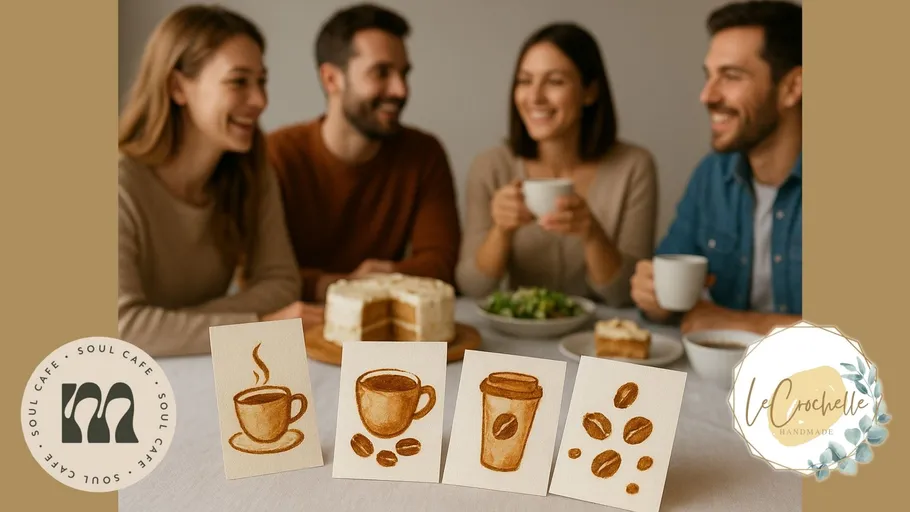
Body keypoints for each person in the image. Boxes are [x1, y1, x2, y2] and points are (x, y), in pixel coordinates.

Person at [118, 5, 320, 357]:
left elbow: (282, 283)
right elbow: (124, 329)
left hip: (195, 368)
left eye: (261, 81)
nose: (260, 100)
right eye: (238, 81)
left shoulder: (251, 169)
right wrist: (258, 326)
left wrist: (170, 327)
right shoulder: (117, 186)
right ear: (177, 87)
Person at [266, 3, 462, 303]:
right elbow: (256, 276)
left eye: (403, 73)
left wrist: (381, 276)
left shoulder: (424, 154)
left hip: (385, 333)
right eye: (381, 73)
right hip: (301, 330)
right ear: (332, 79)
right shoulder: (277, 154)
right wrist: (348, 284)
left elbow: (441, 265)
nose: (401, 90)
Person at [455, 22, 658, 306]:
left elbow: (624, 296)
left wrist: (592, 234)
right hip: (517, 338)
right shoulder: (491, 166)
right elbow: (472, 287)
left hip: (597, 339)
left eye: (555, 81)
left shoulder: (634, 167)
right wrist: (500, 231)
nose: (535, 97)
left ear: (590, 91)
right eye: (525, 81)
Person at [630, 0, 802, 334]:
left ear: (792, 87)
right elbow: (665, 293)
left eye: (731, 76)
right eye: (709, 76)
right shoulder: (712, 176)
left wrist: (738, 323)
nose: (707, 96)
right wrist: (653, 296)